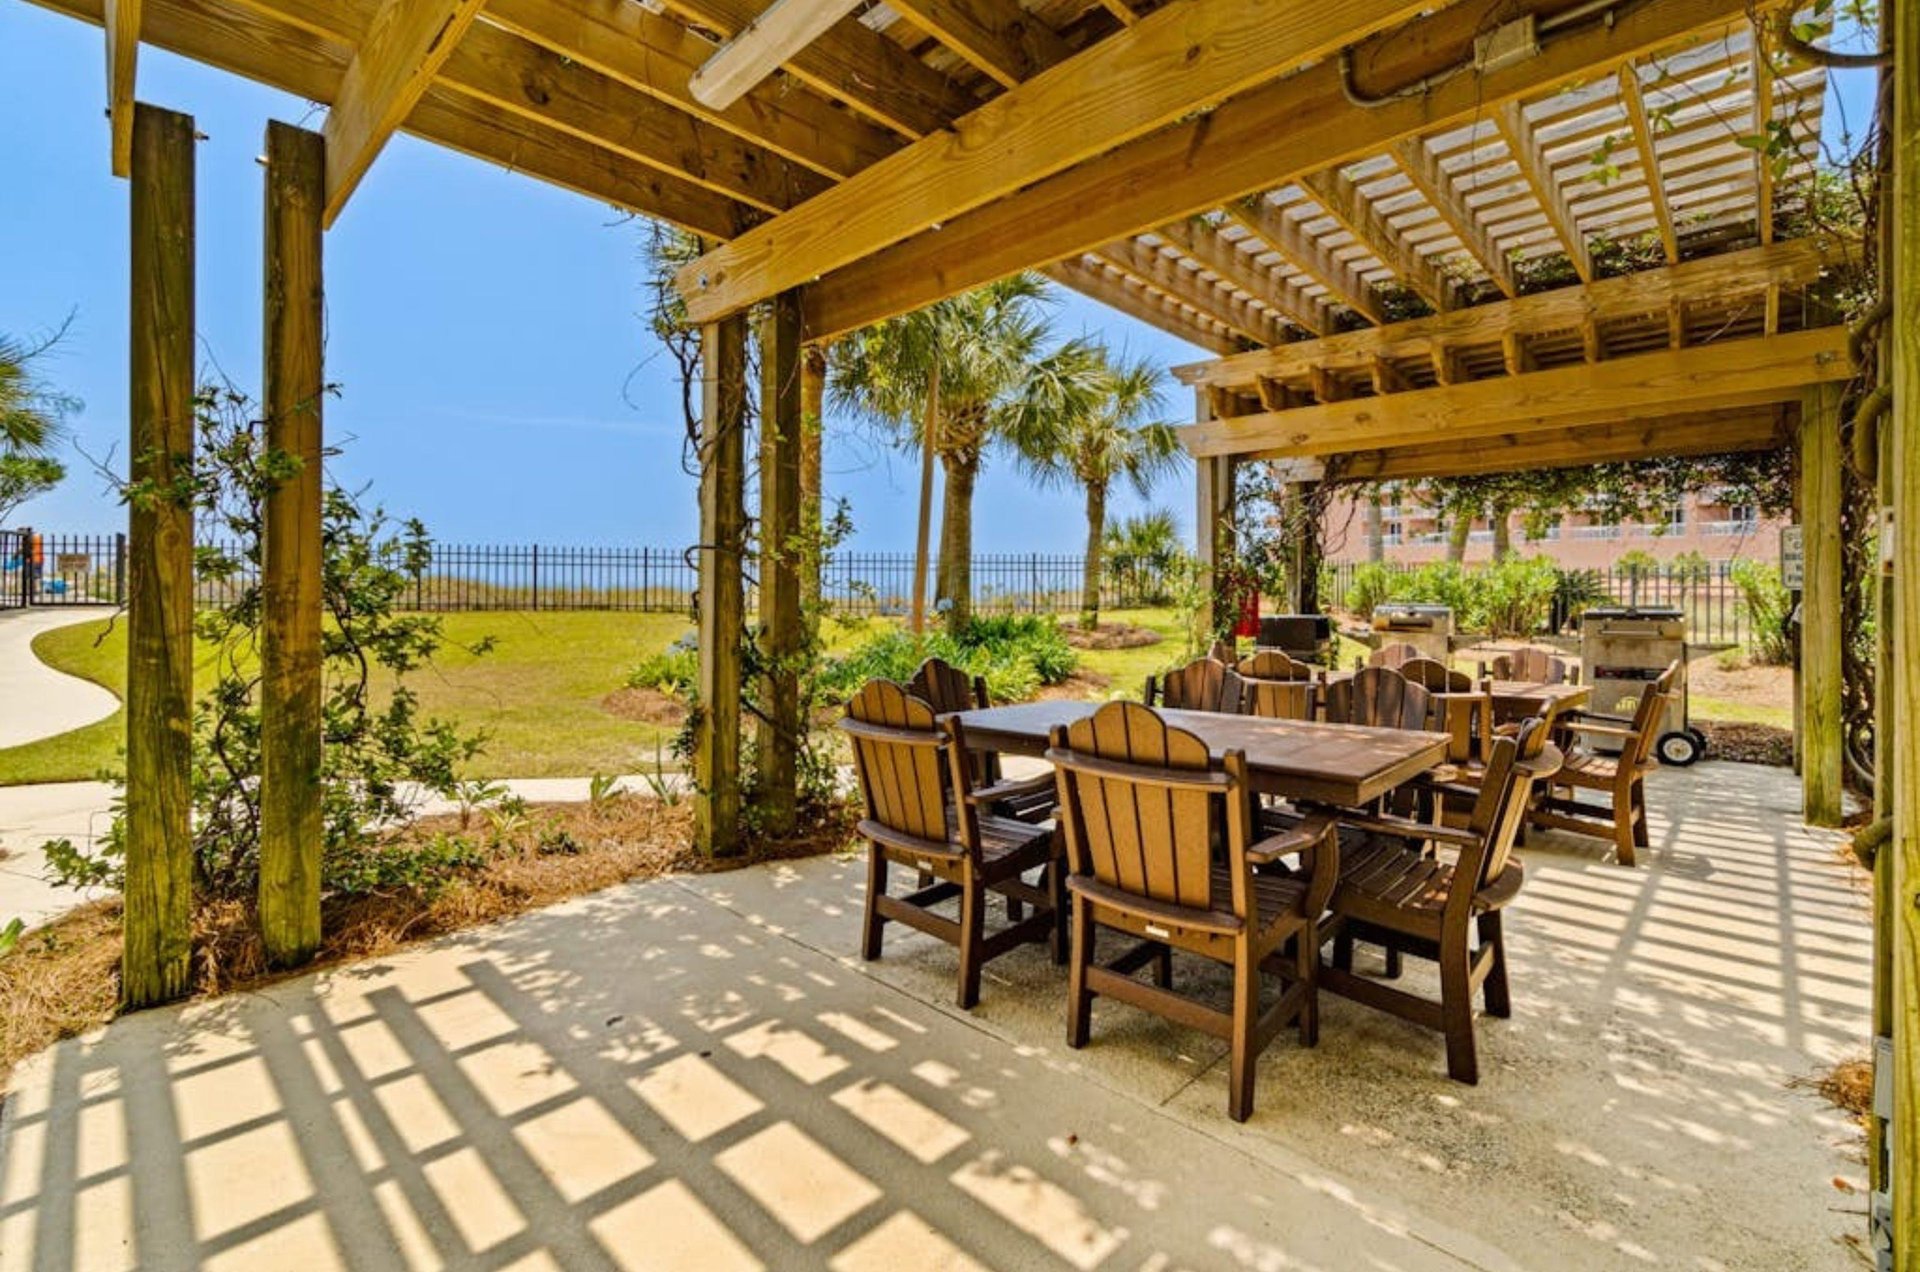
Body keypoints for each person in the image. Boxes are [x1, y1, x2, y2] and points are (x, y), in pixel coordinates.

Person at [25, 530, 42, 598]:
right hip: (39, 559)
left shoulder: (30, 538)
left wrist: (17, 554)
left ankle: (31, 591)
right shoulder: (38, 538)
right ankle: (35, 590)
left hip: (32, 560)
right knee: (36, 576)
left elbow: (26, 548)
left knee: (29, 576)